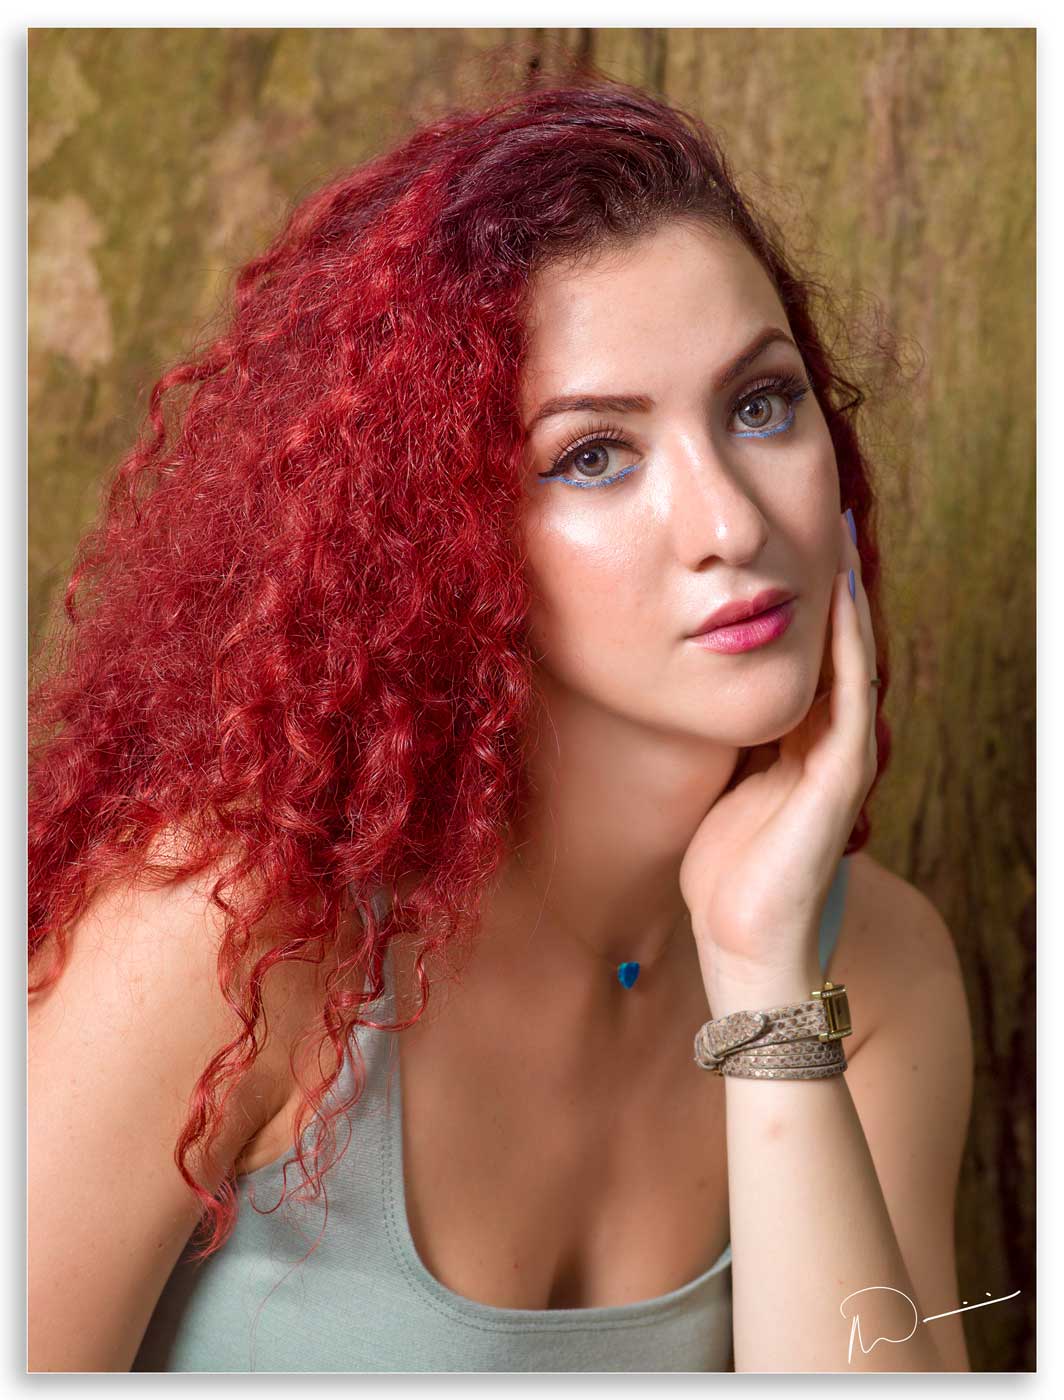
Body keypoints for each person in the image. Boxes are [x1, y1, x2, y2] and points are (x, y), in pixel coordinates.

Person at [28, 67, 973, 1373]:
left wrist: (762, 976)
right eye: (595, 455)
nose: (731, 523)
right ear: (448, 535)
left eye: (760, 405)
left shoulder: (878, 968)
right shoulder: (228, 937)